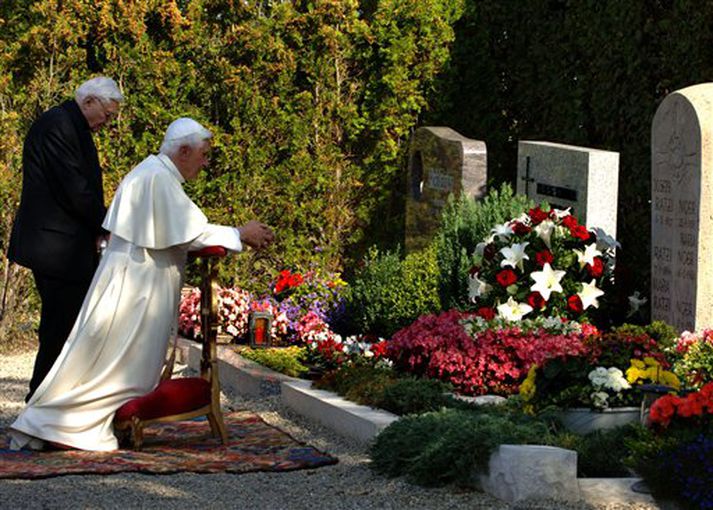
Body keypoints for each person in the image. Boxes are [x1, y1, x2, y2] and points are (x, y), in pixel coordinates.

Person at [9, 118, 274, 451]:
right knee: (113, 366)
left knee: (104, 361)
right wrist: (238, 233)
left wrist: (235, 234)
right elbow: (192, 232)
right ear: (183, 150)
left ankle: (53, 421)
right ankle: (58, 423)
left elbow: (182, 229)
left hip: (133, 282)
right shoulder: (156, 178)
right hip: (135, 290)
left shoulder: (154, 174)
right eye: (203, 155)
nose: (206, 163)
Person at [9, 77, 124, 401]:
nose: (108, 121)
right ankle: (40, 407)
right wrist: (110, 224)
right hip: (55, 249)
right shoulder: (58, 125)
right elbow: (75, 190)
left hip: (62, 247)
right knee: (60, 331)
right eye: (107, 113)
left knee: (66, 329)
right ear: (89, 102)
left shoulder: (71, 125)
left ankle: (51, 406)